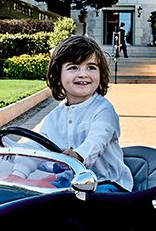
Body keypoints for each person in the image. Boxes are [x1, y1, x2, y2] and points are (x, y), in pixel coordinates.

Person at [22, 35, 133, 192]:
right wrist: (15, 165)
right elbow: (38, 146)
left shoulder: (103, 110)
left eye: (91, 67)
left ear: (100, 75)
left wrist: (79, 155)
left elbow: (98, 138)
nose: (83, 74)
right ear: (58, 76)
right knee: (32, 198)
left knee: (87, 202)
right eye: (74, 67)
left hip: (105, 183)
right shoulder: (54, 117)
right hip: (69, 184)